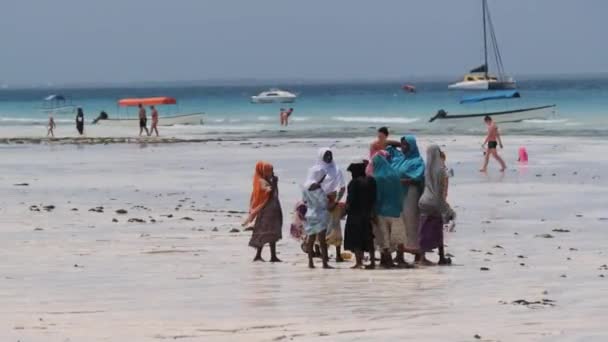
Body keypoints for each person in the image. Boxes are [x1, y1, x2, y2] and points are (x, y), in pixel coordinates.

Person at [387, 135, 428, 264]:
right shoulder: (399, 158)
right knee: (399, 225)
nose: (404, 147)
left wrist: (399, 181)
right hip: (398, 197)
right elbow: (383, 144)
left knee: (412, 225)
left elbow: (417, 178)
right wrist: (400, 144)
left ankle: (418, 255)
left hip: (411, 196)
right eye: (402, 145)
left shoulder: (417, 161)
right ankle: (400, 254)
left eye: (406, 145)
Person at [418, 145, 455, 265]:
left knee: (424, 229)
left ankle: (422, 257)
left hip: (423, 201)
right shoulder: (441, 170)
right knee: (438, 230)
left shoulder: (427, 168)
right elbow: (440, 192)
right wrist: (447, 209)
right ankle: (441, 257)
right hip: (434, 201)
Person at [371, 152, 408, 268]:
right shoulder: (395, 176)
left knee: (383, 237)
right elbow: (400, 193)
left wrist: (374, 212)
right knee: (399, 236)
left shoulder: (377, 178)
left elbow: (377, 196)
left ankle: (385, 260)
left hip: (382, 211)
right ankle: (401, 258)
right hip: (396, 210)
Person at [245, 162, 283, 262]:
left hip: (273, 210)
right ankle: (258, 255)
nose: (272, 172)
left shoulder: (266, 180)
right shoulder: (261, 181)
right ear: (264, 171)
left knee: (272, 234)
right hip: (266, 211)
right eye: (270, 171)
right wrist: (274, 183)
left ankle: (273, 256)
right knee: (263, 233)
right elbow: (268, 191)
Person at [314, 147, 346, 262]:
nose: (328, 157)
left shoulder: (337, 170)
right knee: (321, 228)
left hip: (333, 201)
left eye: (330, 154)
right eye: (326, 155)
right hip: (320, 203)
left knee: (335, 228)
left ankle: (338, 255)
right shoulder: (316, 171)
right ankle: (321, 253)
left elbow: (342, 187)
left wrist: (336, 201)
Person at [344, 160, 377, 269]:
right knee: (368, 238)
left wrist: (345, 210)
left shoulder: (353, 183)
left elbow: (350, 200)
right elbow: (374, 197)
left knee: (356, 239)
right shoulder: (371, 180)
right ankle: (372, 261)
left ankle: (359, 262)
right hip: (367, 213)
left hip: (355, 214)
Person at [302, 170, 332, 269]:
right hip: (319, 215)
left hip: (310, 214)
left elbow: (304, 201)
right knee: (322, 241)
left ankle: (310, 262)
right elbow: (324, 202)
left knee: (311, 239)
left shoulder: (305, 188)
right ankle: (324, 263)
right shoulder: (318, 189)